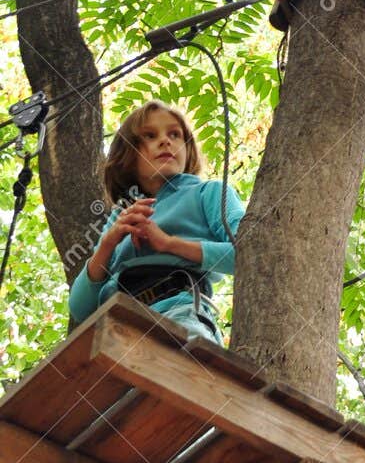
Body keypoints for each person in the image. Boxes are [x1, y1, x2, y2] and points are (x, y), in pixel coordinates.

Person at [69, 101, 244, 344]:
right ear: (127, 155)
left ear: (188, 148)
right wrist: (108, 243)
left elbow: (246, 255)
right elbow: (80, 308)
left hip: (180, 314)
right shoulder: (121, 217)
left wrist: (169, 244)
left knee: (188, 368)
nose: (165, 141)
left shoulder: (208, 193)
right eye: (150, 136)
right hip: (119, 330)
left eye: (175, 134)